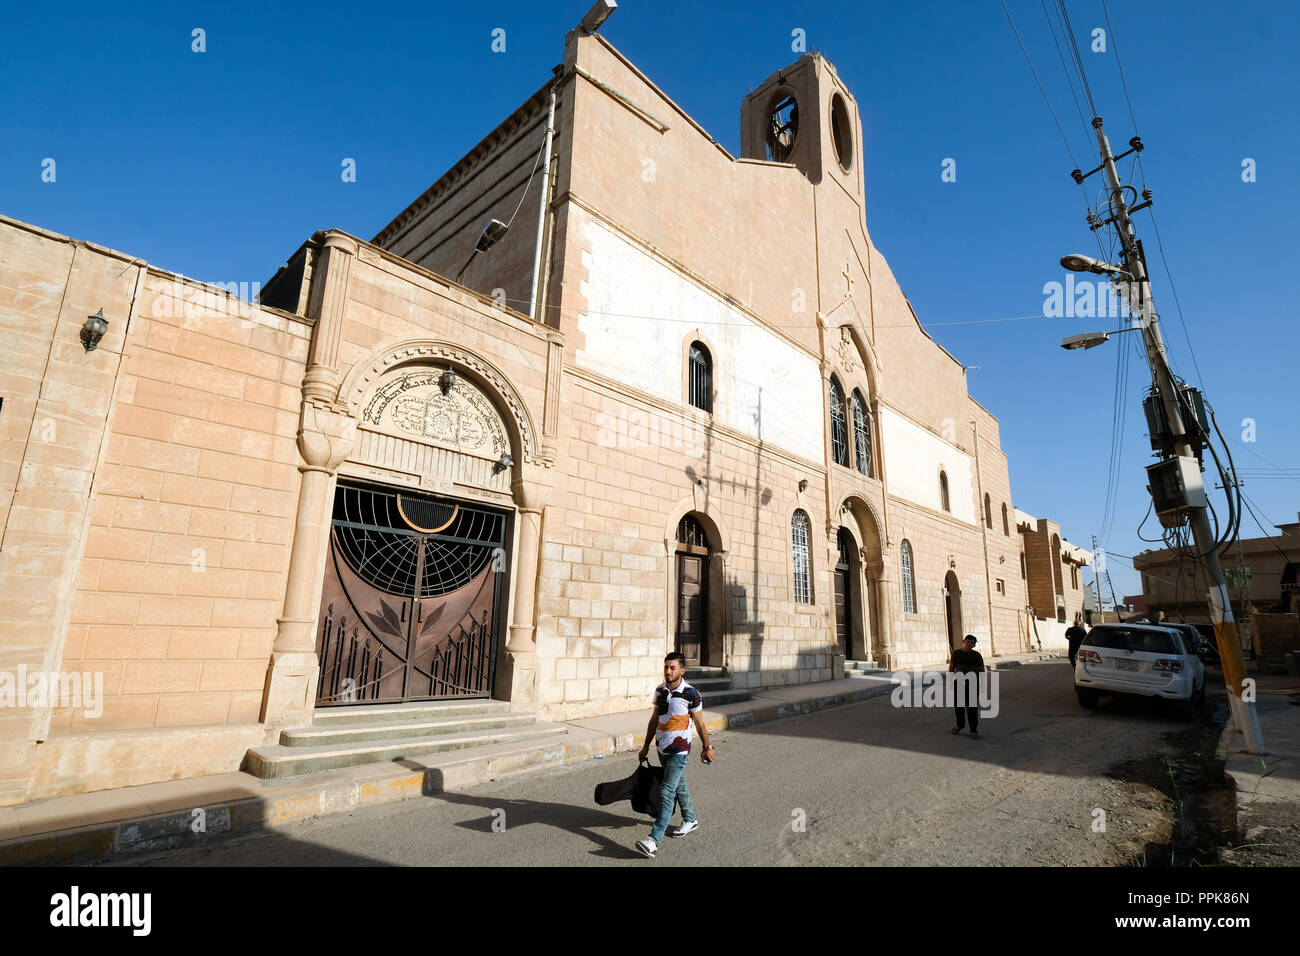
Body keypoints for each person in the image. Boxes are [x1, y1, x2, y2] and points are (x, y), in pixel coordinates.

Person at [634, 652, 715, 859]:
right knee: (678, 785)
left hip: (680, 749)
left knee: (667, 791)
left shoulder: (691, 693)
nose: (668, 671)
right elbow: (654, 720)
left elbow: (699, 723)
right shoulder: (659, 691)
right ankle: (691, 819)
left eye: (672, 668)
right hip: (662, 748)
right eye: (666, 667)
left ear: (682, 670)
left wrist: (707, 746)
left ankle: (653, 840)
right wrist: (645, 747)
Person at [948, 634, 984, 739]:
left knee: (972, 707)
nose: (969, 644)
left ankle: (973, 729)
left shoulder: (977, 655)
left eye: (971, 643)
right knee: (959, 706)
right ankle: (959, 725)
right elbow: (951, 668)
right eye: (967, 641)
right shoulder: (956, 654)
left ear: (974, 645)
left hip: (973, 684)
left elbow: (981, 669)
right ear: (963, 641)